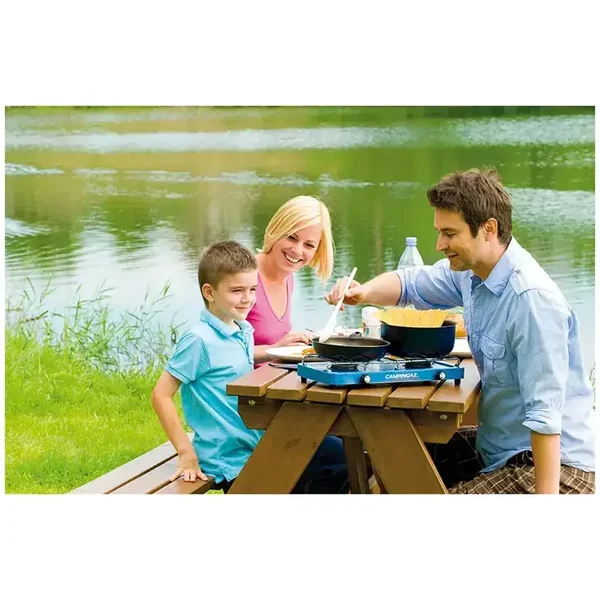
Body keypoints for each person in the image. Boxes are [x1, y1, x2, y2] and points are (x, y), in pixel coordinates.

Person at [325, 168, 595, 494]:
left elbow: (546, 417)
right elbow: (411, 283)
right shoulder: (472, 272)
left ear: (488, 229)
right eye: (439, 232)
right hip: (500, 450)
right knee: (390, 454)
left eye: (450, 233)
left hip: (553, 469)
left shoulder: (531, 301)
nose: (440, 244)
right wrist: (363, 292)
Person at [151, 240, 348, 493]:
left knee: (341, 450)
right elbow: (160, 395)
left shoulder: (241, 330)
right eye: (237, 291)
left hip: (255, 441)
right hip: (230, 458)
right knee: (336, 465)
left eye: (253, 289)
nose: (248, 299)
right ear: (209, 292)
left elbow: (234, 361)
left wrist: (280, 348)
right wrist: (185, 452)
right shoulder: (198, 340)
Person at [249, 195, 334, 364]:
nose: (297, 250)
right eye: (291, 237)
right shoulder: (243, 275)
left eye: (309, 245)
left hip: (274, 377)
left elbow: (271, 338)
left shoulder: (288, 278)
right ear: (276, 231)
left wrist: (299, 340)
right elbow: (220, 351)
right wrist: (276, 348)